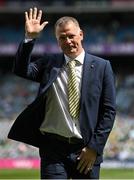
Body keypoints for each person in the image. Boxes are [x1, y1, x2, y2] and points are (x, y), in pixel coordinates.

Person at [8, 7, 116, 179]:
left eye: (71, 36)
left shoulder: (103, 67)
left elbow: (109, 111)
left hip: (86, 150)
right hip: (53, 149)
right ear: (58, 41)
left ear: (81, 34)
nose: (68, 41)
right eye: (62, 38)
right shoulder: (50, 63)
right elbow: (21, 70)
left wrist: (94, 148)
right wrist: (29, 38)